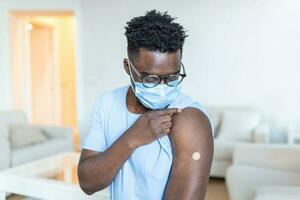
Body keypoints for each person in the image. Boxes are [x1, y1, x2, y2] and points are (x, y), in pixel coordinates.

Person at [77, 10, 214, 200]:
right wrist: (132, 138)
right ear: (128, 67)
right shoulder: (106, 103)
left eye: (172, 77)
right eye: (151, 79)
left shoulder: (189, 119)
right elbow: (88, 183)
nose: (163, 87)